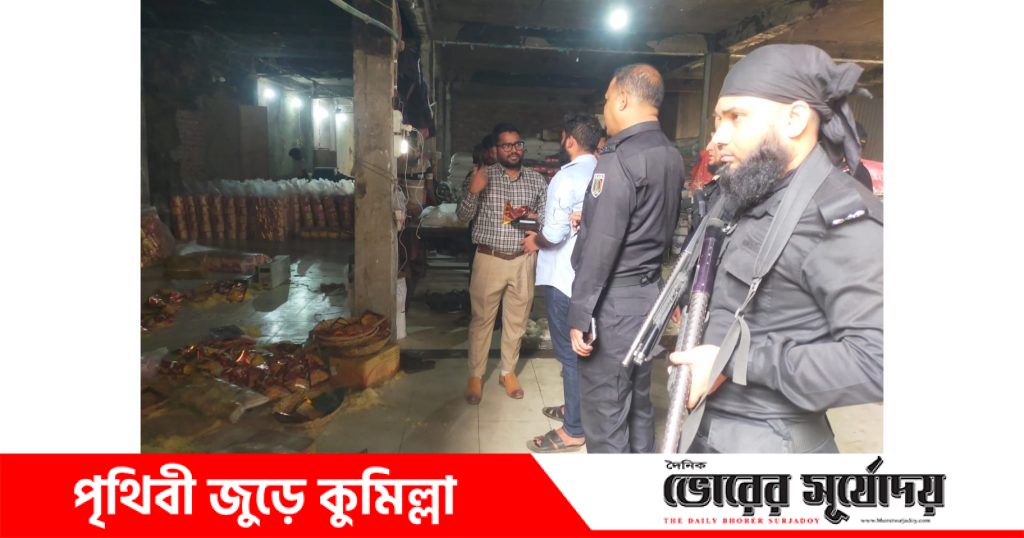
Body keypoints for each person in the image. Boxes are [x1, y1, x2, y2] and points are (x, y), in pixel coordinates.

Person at [668, 44, 883, 454]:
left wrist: (736, 360)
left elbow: (879, 362)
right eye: (718, 121)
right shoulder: (753, 193)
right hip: (705, 431)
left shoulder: (838, 218)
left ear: (794, 119)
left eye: (736, 117)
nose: (719, 137)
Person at [567, 64, 683, 453]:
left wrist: (580, 313)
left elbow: (601, 246)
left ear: (622, 99)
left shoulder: (619, 159)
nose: (604, 109)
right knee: (638, 407)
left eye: (605, 100)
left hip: (613, 306)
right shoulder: (669, 154)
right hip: (647, 299)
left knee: (605, 416)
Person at [520, 113, 602, 452]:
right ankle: (576, 410)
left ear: (569, 140)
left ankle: (573, 430)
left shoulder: (565, 177)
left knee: (570, 355)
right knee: (584, 352)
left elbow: (553, 234)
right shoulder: (604, 172)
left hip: (564, 278)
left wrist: (534, 241)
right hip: (591, 278)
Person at [457, 123, 547, 404]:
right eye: (506, 145)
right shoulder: (482, 175)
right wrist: (473, 191)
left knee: (517, 321)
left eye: (518, 144)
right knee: (482, 320)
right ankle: (475, 375)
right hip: (489, 259)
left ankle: (507, 372)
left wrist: (538, 232)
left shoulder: (536, 180)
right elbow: (462, 216)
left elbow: (546, 217)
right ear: (496, 149)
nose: (513, 150)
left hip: (523, 260)